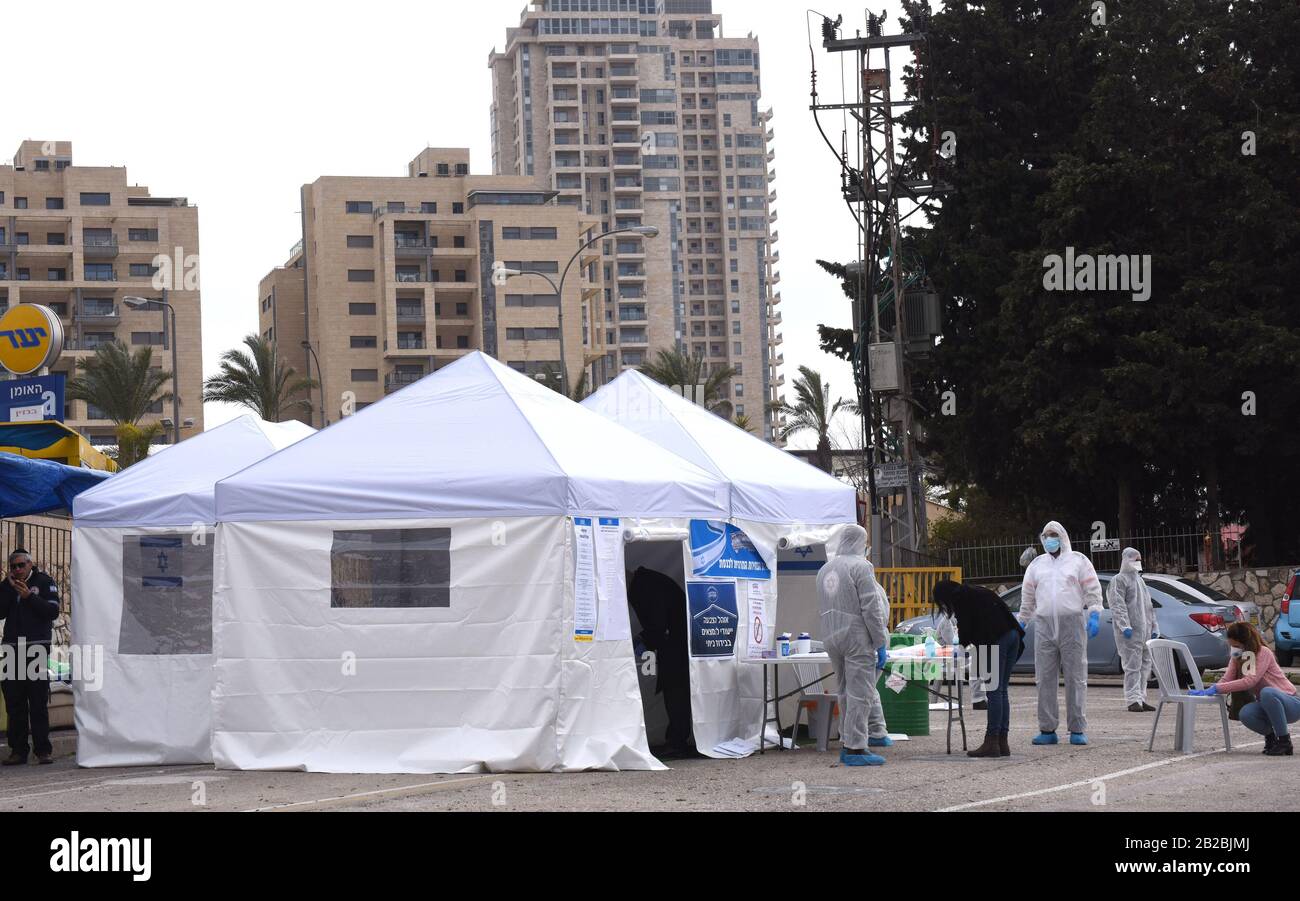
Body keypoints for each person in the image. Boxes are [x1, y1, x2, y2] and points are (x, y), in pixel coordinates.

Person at [1018, 521, 1103, 746]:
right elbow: (1028, 597)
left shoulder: (1078, 561)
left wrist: (1094, 612)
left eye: (1053, 535)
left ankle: (1077, 728)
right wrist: (1022, 621)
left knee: (1076, 677)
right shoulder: (1036, 565)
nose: (1049, 539)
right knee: (1044, 678)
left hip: (1072, 625)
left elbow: (1092, 588)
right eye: (1046, 535)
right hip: (1044, 626)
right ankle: (1047, 729)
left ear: (1063, 536)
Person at [817, 525, 890, 766]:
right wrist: (880, 642)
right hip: (856, 637)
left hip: (831, 635)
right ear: (862, 542)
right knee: (861, 693)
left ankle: (848, 741)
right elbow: (871, 607)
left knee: (844, 691)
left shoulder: (825, 569)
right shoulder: (861, 566)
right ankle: (856, 748)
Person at [933, 580, 1025, 757]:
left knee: (993, 691)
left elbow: (965, 628)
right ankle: (1001, 742)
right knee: (1002, 691)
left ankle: (991, 742)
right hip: (1013, 637)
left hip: (994, 641)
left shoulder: (960, 598)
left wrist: (960, 649)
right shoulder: (977, 591)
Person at [1189, 622, 1299, 756]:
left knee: (1267, 692)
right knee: (1246, 713)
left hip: (1289, 703)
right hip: (1266, 704)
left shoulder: (1263, 652)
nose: (1234, 649)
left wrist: (1216, 688)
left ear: (1246, 642)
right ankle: (1271, 739)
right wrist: (1208, 690)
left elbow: (1249, 681)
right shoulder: (1239, 656)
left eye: (1236, 646)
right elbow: (1227, 678)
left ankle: (1284, 742)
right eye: (1232, 645)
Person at [0, 549, 61, 765]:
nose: (17, 569)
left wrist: (29, 597)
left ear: (29, 564)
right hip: (11, 648)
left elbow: (52, 612)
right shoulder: (7, 585)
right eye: (13, 566)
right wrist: (9, 589)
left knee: (37, 700)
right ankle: (18, 751)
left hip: (36, 647)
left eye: (20, 565)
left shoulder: (44, 582)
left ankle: (43, 750)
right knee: (14, 702)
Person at [627, 566, 695, 759]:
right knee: (676, 691)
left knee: (675, 692)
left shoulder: (645, 587)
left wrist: (644, 640)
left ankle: (677, 742)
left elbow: (658, 623)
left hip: (676, 643)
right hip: (678, 641)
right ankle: (677, 739)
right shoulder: (648, 581)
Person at [1108, 548, 1158, 712]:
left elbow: (1148, 607)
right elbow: (1117, 605)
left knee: (1145, 665)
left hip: (1144, 632)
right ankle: (1132, 700)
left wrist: (1154, 626)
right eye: (1135, 559)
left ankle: (1141, 698)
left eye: (1139, 560)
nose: (1138, 563)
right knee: (1132, 666)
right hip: (1130, 633)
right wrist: (1125, 626)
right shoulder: (1119, 580)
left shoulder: (1140, 581)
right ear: (1126, 560)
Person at [933, 610, 988, 710]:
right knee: (976, 663)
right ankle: (978, 699)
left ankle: (980, 699)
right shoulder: (947, 621)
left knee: (979, 662)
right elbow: (952, 643)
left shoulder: (957, 618)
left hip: (956, 655)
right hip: (948, 659)